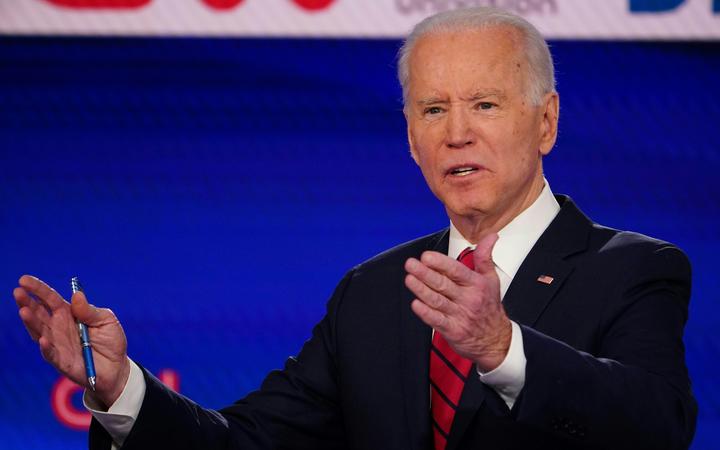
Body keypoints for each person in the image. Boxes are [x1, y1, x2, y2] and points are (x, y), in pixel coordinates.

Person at [13, 7, 696, 450]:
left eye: (485, 105)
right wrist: (118, 387)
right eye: (432, 110)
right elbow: (244, 445)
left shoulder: (635, 269)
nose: (457, 134)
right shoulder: (371, 294)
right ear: (409, 138)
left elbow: (657, 427)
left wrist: (502, 346)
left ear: (545, 121)